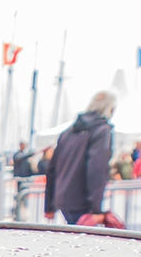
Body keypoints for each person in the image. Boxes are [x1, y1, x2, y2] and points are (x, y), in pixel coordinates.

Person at [43, 90, 116, 225]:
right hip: (82, 201)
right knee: (83, 240)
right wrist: (96, 209)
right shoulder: (101, 130)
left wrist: (49, 205)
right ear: (110, 109)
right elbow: (96, 168)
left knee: (75, 237)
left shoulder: (68, 132)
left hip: (64, 199)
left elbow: (52, 169)